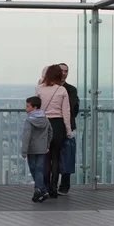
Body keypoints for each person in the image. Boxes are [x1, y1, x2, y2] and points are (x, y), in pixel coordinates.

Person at [36, 64, 71, 198]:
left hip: (44, 124)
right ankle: (54, 188)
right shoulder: (62, 90)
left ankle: (44, 187)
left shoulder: (40, 89)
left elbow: (36, 108)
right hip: (57, 124)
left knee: (45, 157)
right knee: (55, 157)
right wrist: (68, 130)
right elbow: (66, 112)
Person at [22, 96, 53, 203]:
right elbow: (50, 132)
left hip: (31, 149)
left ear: (34, 108)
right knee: (40, 169)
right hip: (42, 148)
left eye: (27, 106)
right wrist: (47, 145)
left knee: (34, 169)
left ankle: (40, 190)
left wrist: (24, 150)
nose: (25, 108)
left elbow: (26, 136)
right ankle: (42, 191)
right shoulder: (45, 119)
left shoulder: (29, 120)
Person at [58, 63, 80, 196]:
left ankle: (64, 186)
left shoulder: (71, 89)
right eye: (61, 71)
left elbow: (70, 108)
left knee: (67, 156)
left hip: (67, 127)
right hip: (55, 126)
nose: (64, 73)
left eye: (66, 71)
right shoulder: (52, 88)